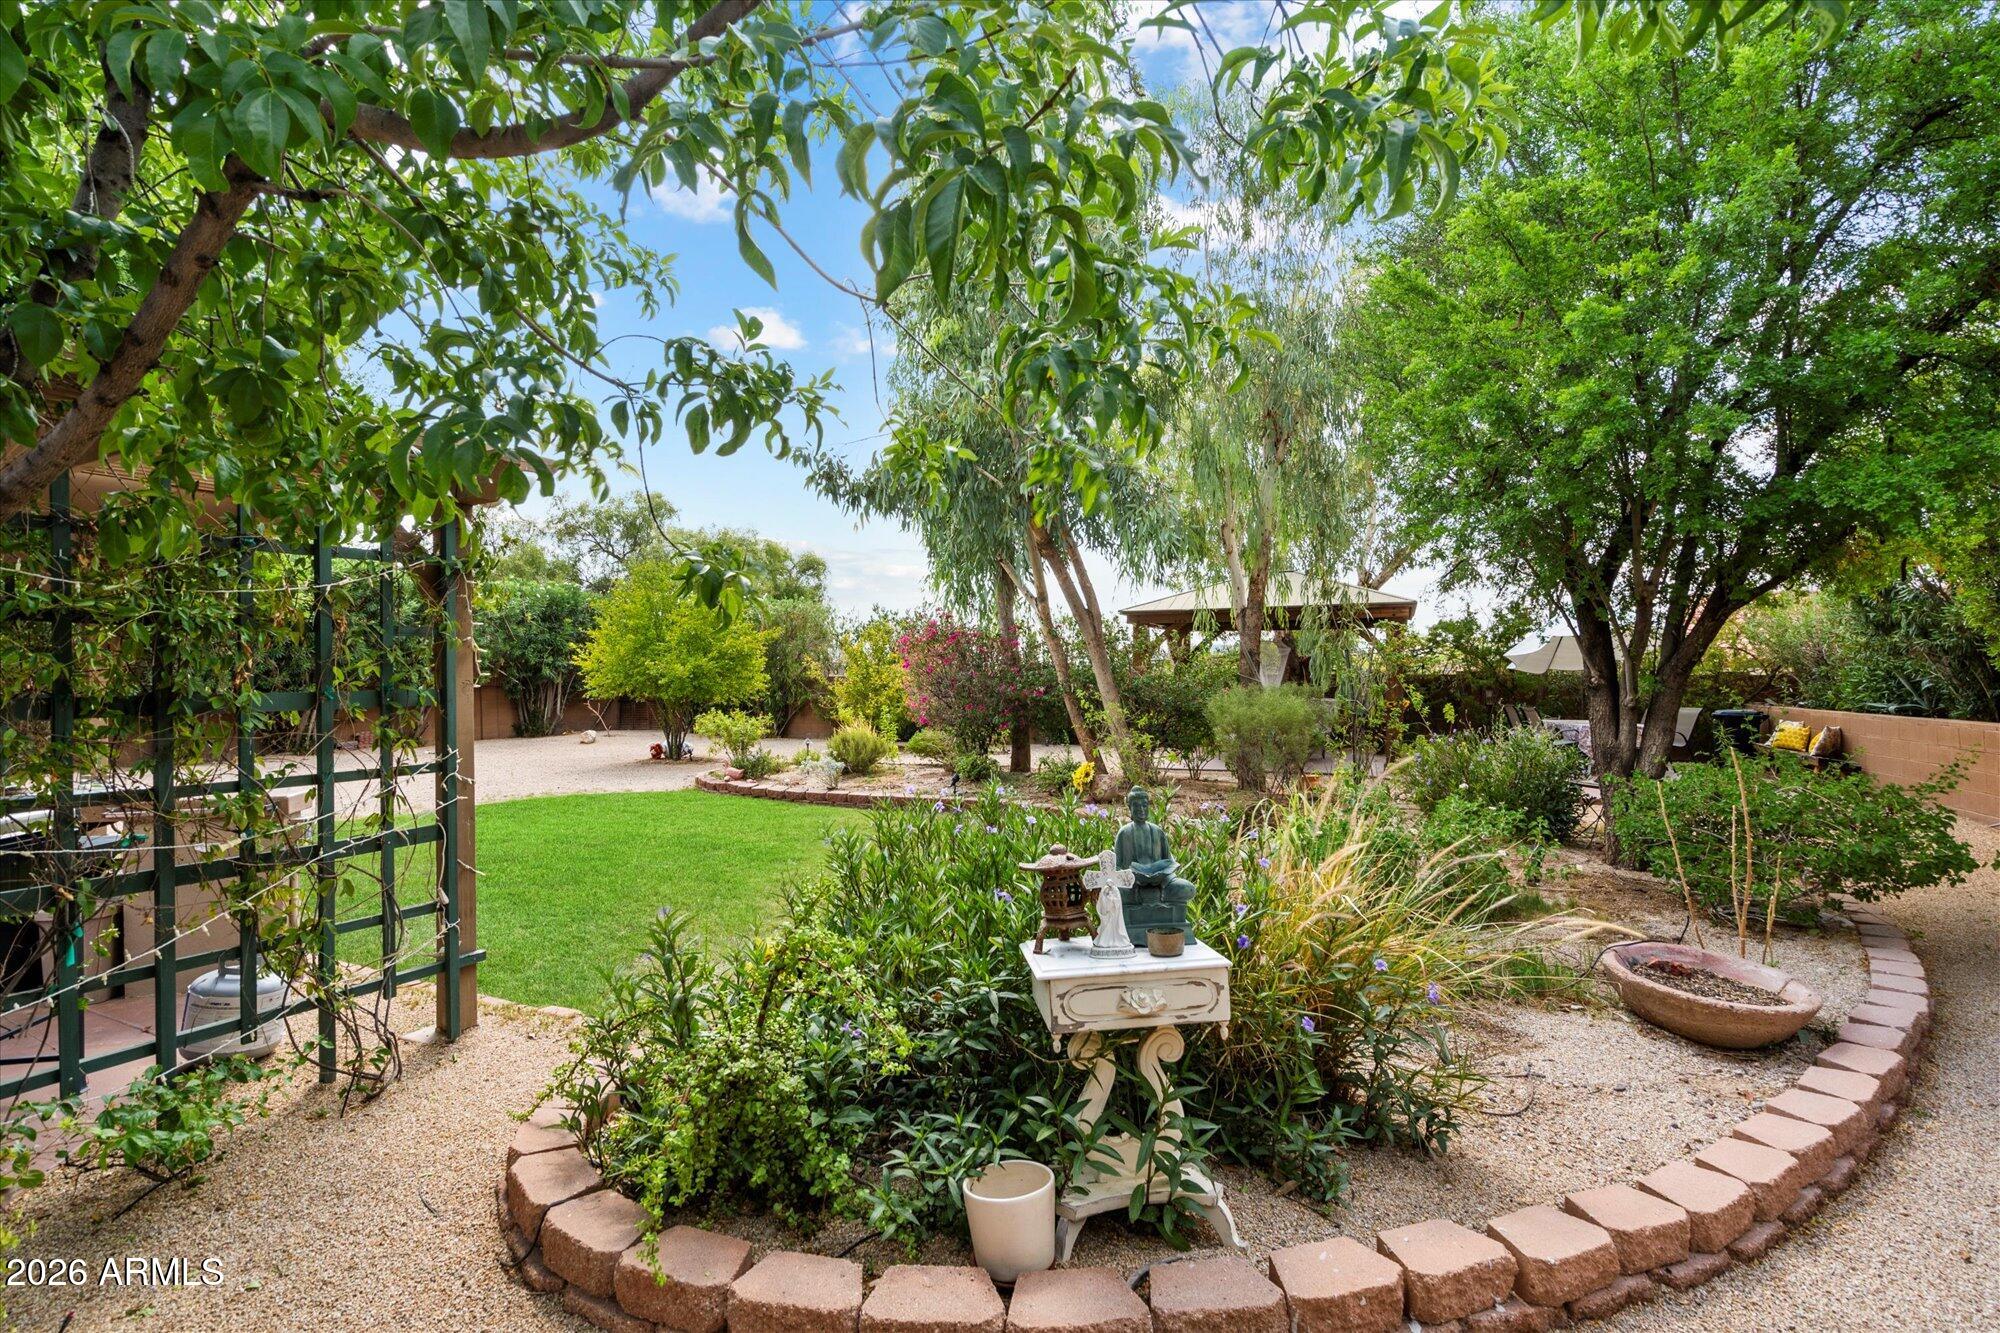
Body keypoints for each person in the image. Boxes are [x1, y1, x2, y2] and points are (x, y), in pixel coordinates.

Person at [1112, 787, 1196, 940]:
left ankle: (1173, 924)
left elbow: (1169, 862)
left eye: (1144, 805)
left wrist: (1164, 873)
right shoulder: (1124, 833)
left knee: (1187, 889)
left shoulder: (1157, 832)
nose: (1141, 809)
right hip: (1132, 884)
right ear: (1130, 808)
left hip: (1161, 882)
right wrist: (1130, 876)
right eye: (1136, 806)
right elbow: (1116, 867)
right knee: (1113, 893)